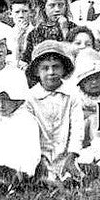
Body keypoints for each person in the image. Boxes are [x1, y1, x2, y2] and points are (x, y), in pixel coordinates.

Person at [23, 41, 83, 185]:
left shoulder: (72, 95)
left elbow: (77, 127)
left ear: (63, 69)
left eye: (56, 67)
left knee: (83, 164)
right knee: (31, 172)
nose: (51, 72)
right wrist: (39, 157)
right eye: (45, 68)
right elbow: (29, 134)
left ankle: (68, 175)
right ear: (37, 71)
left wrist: (72, 154)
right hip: (40, 154)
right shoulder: (30, 98)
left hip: (66, 152)